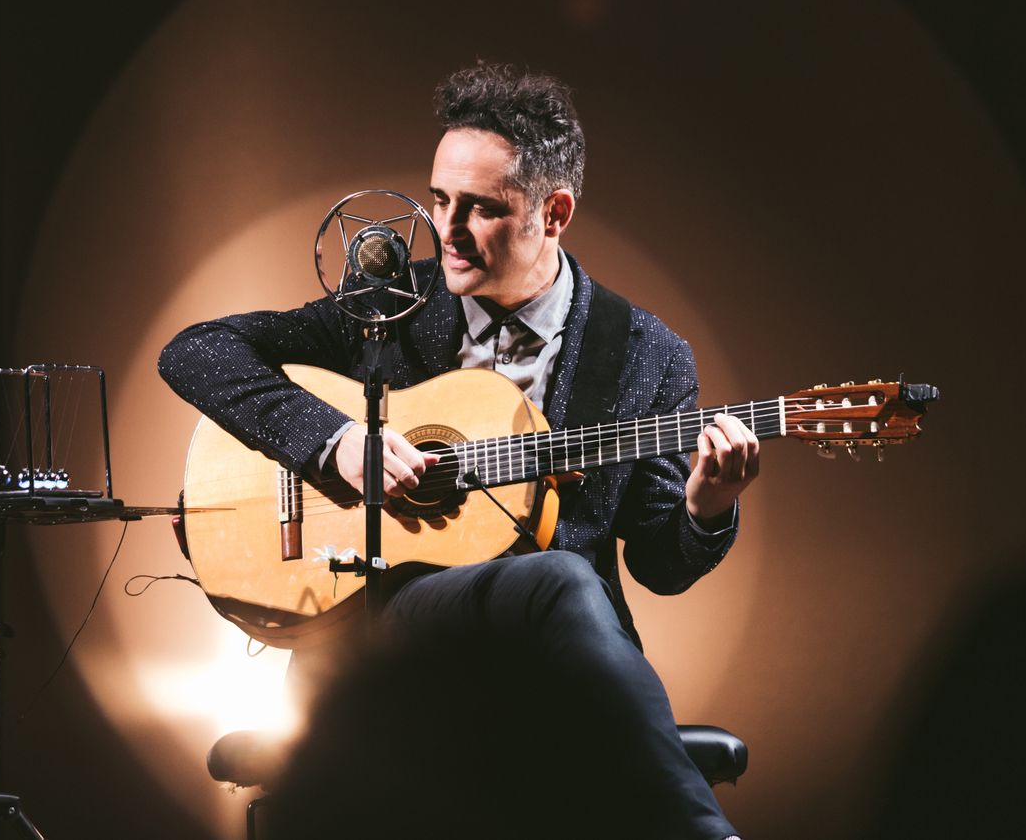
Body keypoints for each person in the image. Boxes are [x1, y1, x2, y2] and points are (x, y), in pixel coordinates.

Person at [159, 63, 759, 839]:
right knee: (563, 578)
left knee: (560, 579)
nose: (446, 230)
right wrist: (335, 444)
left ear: (555, 211)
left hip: (554, 671)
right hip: (389, 643)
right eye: (440, 199)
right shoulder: (390, 309)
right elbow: (196, 352)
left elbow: (659, 563)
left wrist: (707, 509)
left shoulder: (647, 354)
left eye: (480, 209)